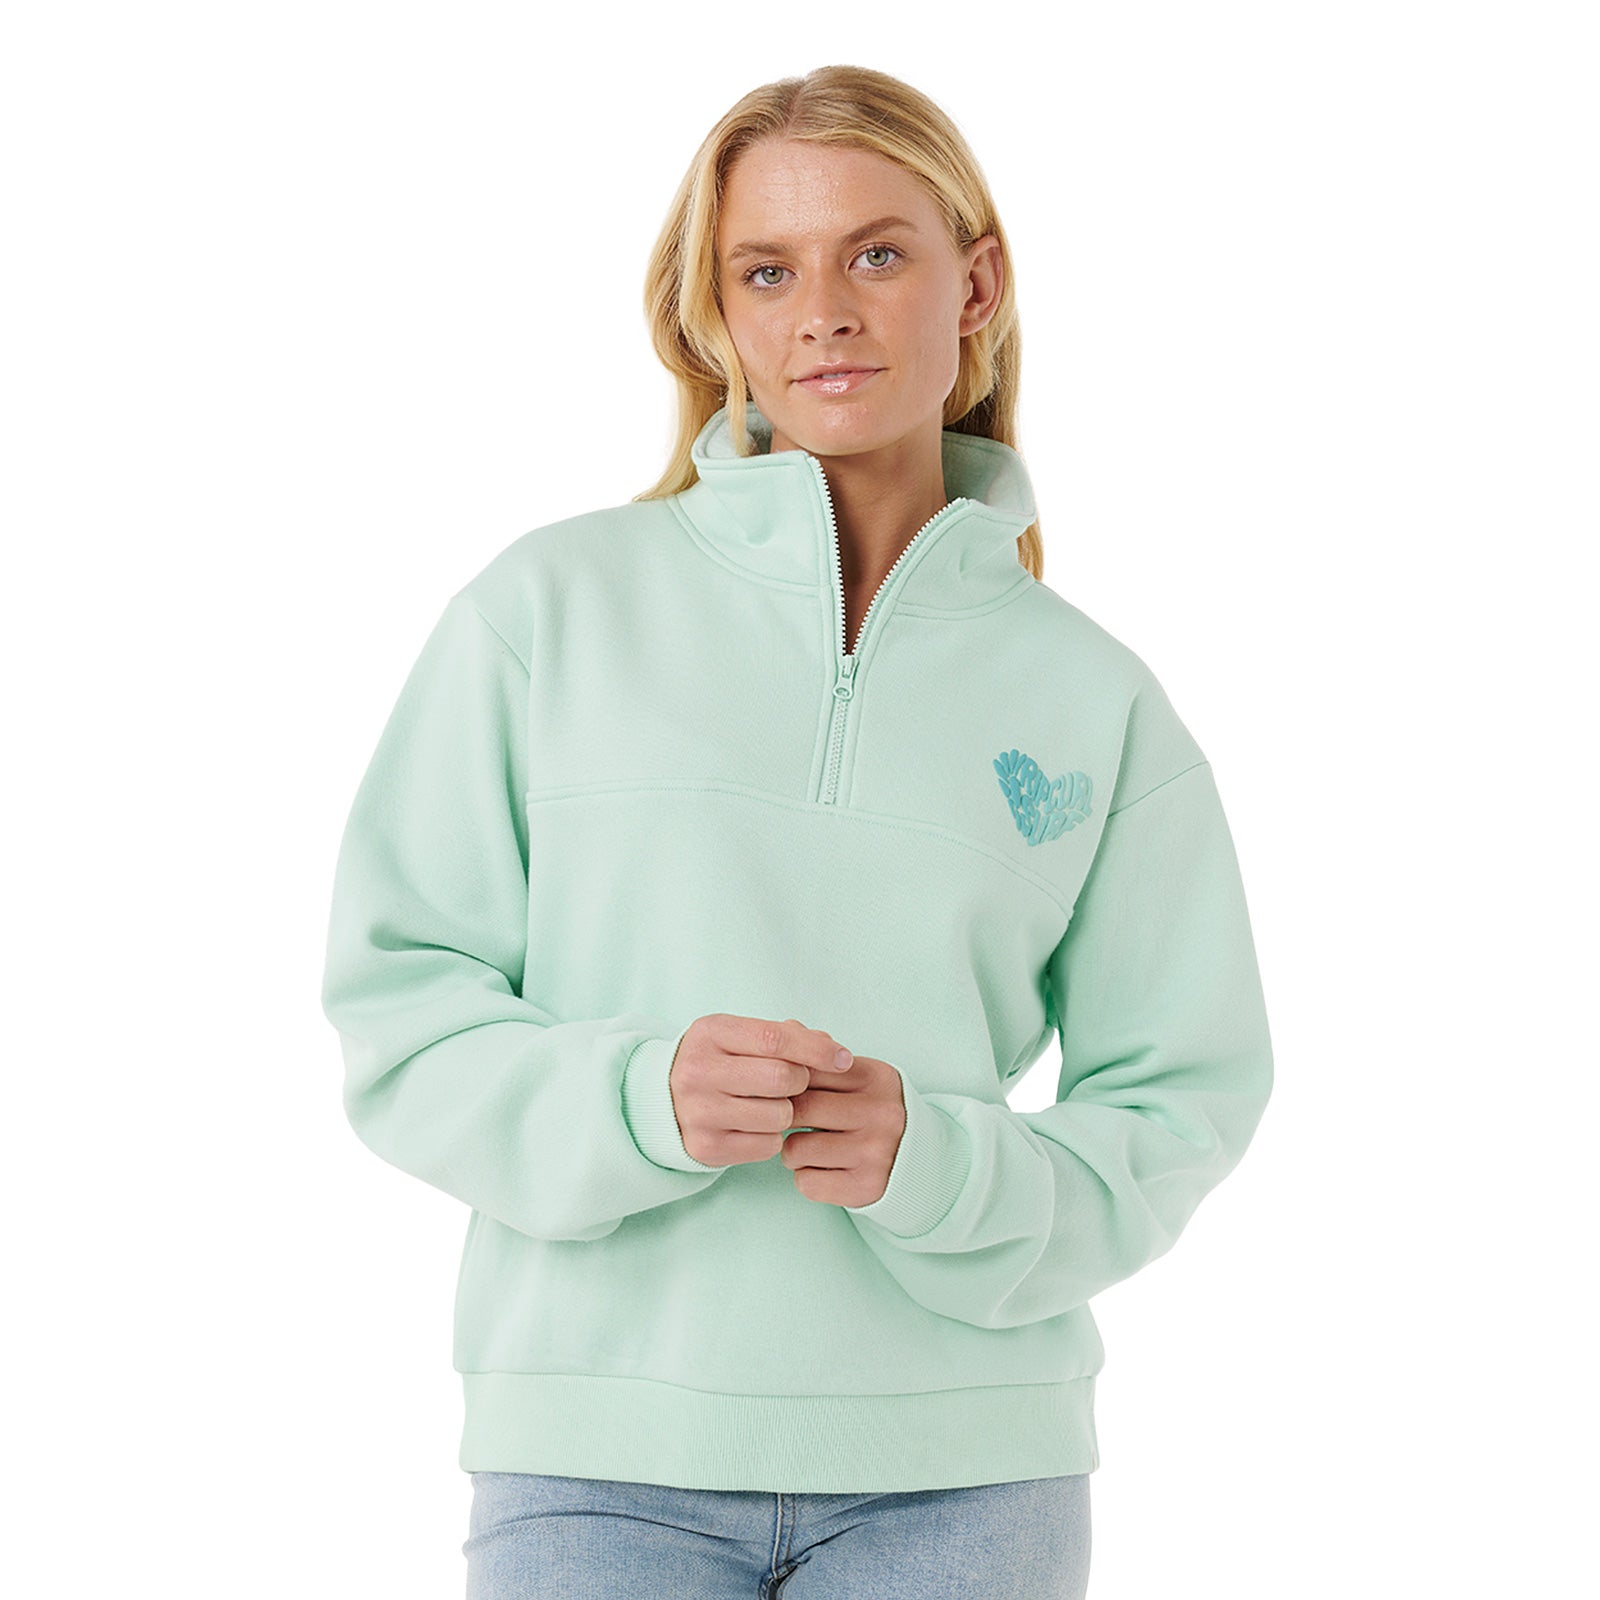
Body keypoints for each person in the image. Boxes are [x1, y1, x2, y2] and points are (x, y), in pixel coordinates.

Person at [320, 62, 1274, 1600]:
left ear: (977, 285)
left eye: (876, 254)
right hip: (601, 1462)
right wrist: (638, 1098)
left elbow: (1183, 1098)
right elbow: (400, 1017)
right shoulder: (546, 615)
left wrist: (943, 1168)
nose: (823, 311)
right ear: (717, 317)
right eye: (767, 270)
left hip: (970, 1479)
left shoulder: (1096, 700)